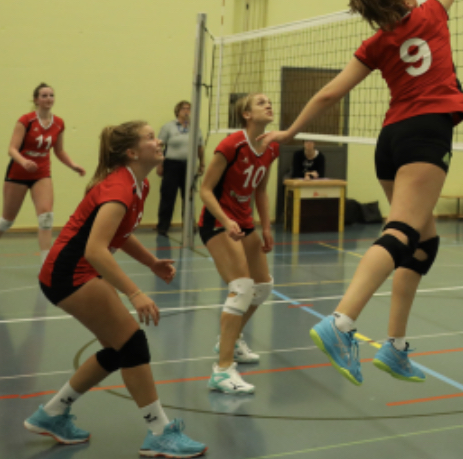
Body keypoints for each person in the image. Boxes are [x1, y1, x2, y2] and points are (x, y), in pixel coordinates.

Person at [260, 0, 463, 386]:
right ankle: (341, 323)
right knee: (401, 231)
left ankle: (396, 348)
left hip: (391, 141)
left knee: (423, 243)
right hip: (426, 134)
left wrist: (292, 131)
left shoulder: (377, 43)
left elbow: (330, 92)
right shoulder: (431, 13)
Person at [25, 121, 205, 456]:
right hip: (69, 273)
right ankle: (159, 433)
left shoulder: (139, 184)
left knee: (117, 350)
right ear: (132, 152)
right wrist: (135, 293)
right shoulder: (119, 188)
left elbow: (120, 233)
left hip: (74, 271)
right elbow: (95, 250)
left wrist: (152, 262)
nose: (158, 141)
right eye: (150, 137)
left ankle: (51, 414)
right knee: (133, 345)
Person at [198, 93, 278, 395]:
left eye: (269, 102)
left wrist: (265, 226)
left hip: (244, 222)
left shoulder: (271, 146)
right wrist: (225, 218)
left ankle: (230, 339)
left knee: (263, 286)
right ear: (246, 114)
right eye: (261, 102)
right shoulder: (231, 145)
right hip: (217, 221)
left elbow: (261, 190)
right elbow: (205, 190)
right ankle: (222, 371)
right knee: (242, 287)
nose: (268, 105)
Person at [0, 83, 85, 270]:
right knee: (7, 220)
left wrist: (73, 165)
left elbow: (59, 151)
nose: (48, 99)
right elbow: (12, 149)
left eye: (51, 95)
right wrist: (24, 162)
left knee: (46, 217)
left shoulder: (59, 123)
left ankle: (46, 265)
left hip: (41, 174)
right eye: (44, 95)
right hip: (18, 174)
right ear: (36, 99)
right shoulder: (26, 121)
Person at [156, 101, 205, 237]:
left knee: (189, 196)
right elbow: (159, 146)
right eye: (184, 108)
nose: (187, 111)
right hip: (171, 165)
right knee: (168, 196)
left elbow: (200, 147)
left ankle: (189, 225)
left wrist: (202, 163)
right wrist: (159, 164)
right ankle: (163, 227)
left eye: (189, 109)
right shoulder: (168, 127)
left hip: (189, 166)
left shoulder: (195, 128)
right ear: (177, 111)